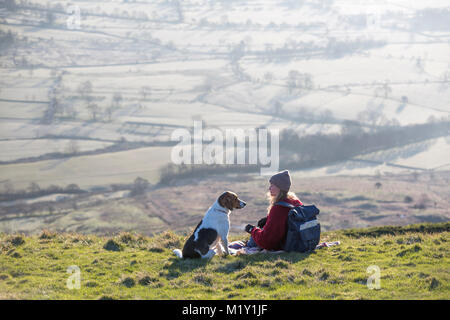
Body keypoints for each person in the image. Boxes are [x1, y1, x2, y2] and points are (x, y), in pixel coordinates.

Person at [245, 170, 303, 251]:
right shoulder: (295, 201)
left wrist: (252, 230)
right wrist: (268, 220)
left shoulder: (278, 208)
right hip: (297, 240)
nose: (269, 188)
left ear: (280, 188)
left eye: (272, 185)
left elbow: (267, 241)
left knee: (252, 241)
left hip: (282, 244)